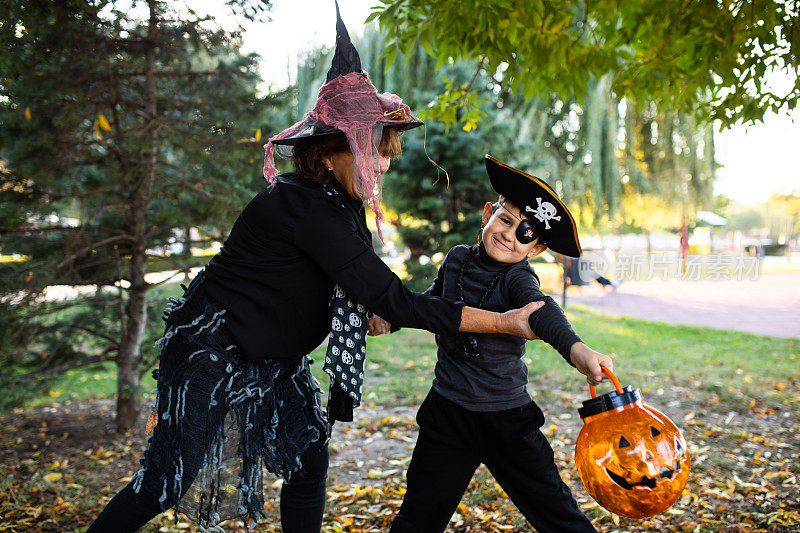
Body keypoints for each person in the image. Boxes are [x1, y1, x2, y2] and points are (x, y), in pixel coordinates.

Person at [86, 8, 544, 533]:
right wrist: (505, 323)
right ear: (328, 153)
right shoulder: (307, 209)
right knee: (164, 482)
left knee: (308, 457)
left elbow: (361, 291)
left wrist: (369, 308)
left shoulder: (339, 206)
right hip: (216, 352)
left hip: (272, 356)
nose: (384, 164)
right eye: (373, 149)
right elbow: (394, 298)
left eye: (386, 151)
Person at [389, 154, 614, 533]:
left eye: (525, 233)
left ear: (536, 248)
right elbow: (433, 304)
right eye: (505, 220)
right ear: (487, 214)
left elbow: (541, 312)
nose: (509, 235)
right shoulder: (457, 259)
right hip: (448, 413)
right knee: (418, 516)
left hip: (506, 418)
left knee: (558, 514)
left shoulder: (518, 279)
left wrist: (577, 349)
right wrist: (391, 319)